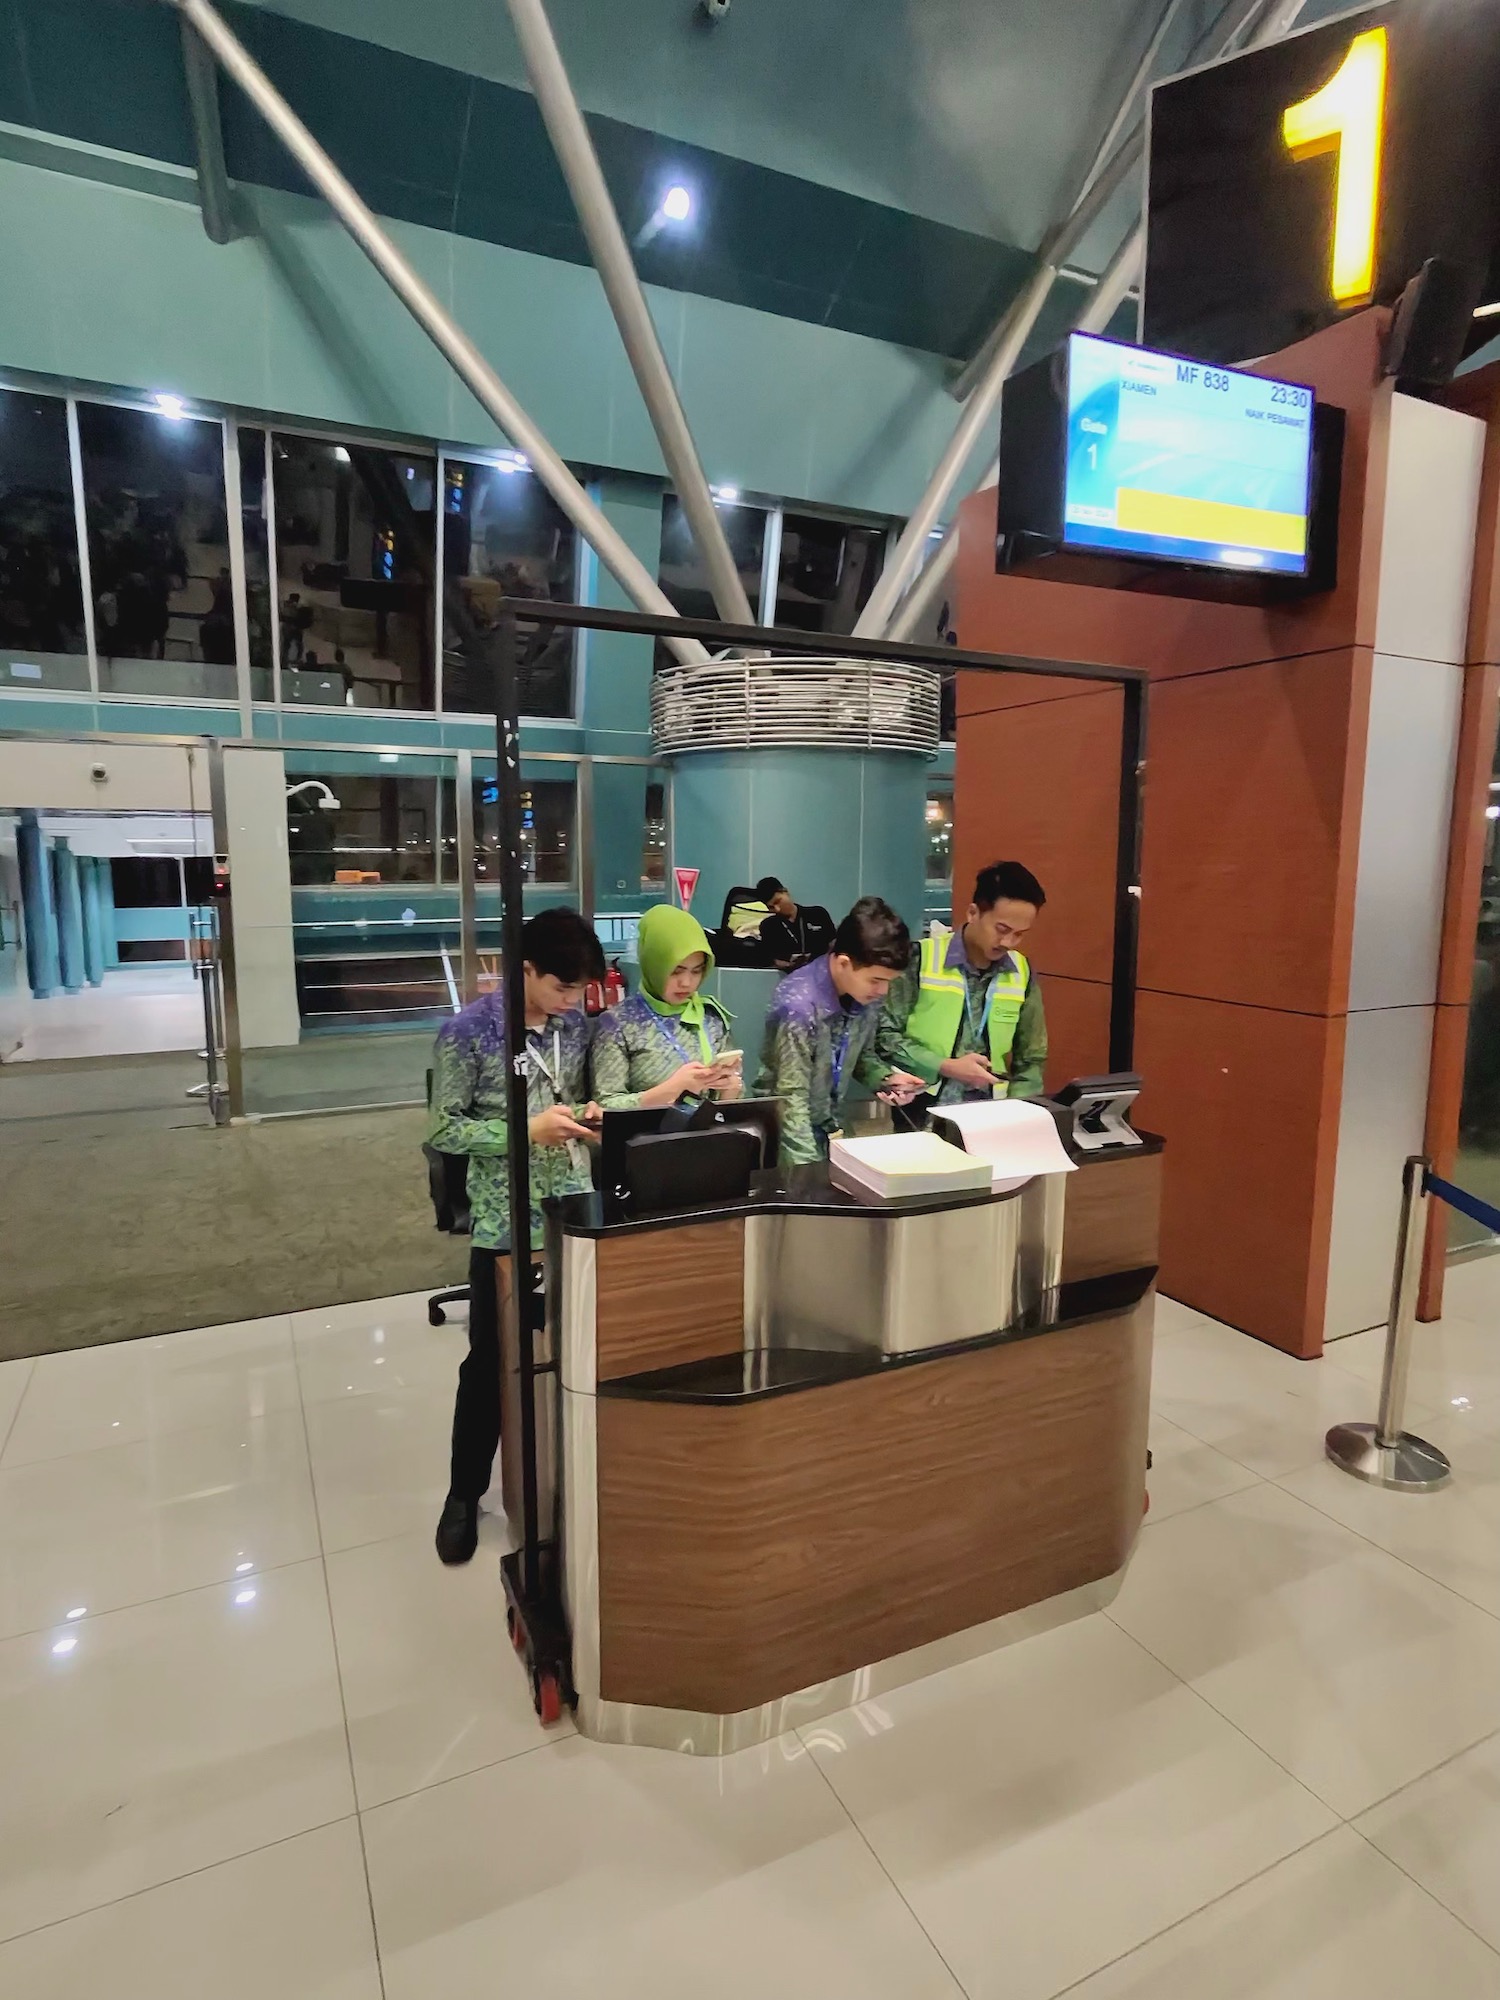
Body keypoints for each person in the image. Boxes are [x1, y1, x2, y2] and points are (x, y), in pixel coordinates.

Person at [429, 908, 604, 1565]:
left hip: (574, 1205)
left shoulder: (574, 1027)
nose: (572, 1001)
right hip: (506, 1223)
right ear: (523, 970)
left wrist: (588, 1116)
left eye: (580, 990)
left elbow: (584, 1093)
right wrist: (524, 1133)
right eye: (561, 987)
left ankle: (569, 1484)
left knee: (579, 1352)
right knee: (488, 1363)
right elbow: (444, 1129)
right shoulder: (469, 1033)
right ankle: (462, 1493)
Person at [755, 895, 924, 1166]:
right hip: (785, 1139)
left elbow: (860, 1055)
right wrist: (809, 1173)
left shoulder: (864, 994)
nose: (883, 991)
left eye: (889, 982)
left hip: (829, 1125)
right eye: (876, 980)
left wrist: (885, 1078)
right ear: (844, 963)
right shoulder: (798, 1006)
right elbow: (790, 1100)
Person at [878, 860, 1049, 1112]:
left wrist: (1020, 1110)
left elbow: (1031, 1058)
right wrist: (944, 1065)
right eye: (1002, 929)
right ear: (973, 913)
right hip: (922, 1107)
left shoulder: (1021, 971)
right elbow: (884, 1036)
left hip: (992, 1113)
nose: (1009, 942)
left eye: (1019, 933)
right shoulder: (920, 959)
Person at [590, 903, 744, 1109]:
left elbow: (732, 1103)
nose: (687, 983)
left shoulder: (710, 1019)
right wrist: (670, 1090)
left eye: (696, 971)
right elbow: (605, 1107)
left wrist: (730, 1092)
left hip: (709, 1136)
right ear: (654, 965)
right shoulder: (618, 1024)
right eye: (676, 971)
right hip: (647, 1138)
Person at [757, 876, 837, 970]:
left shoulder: (818, 914)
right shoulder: (768, 926)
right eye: (771, 907)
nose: (777, 909)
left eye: (778, 901)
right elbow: (769, 958)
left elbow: (834, 945)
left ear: (785, 892)